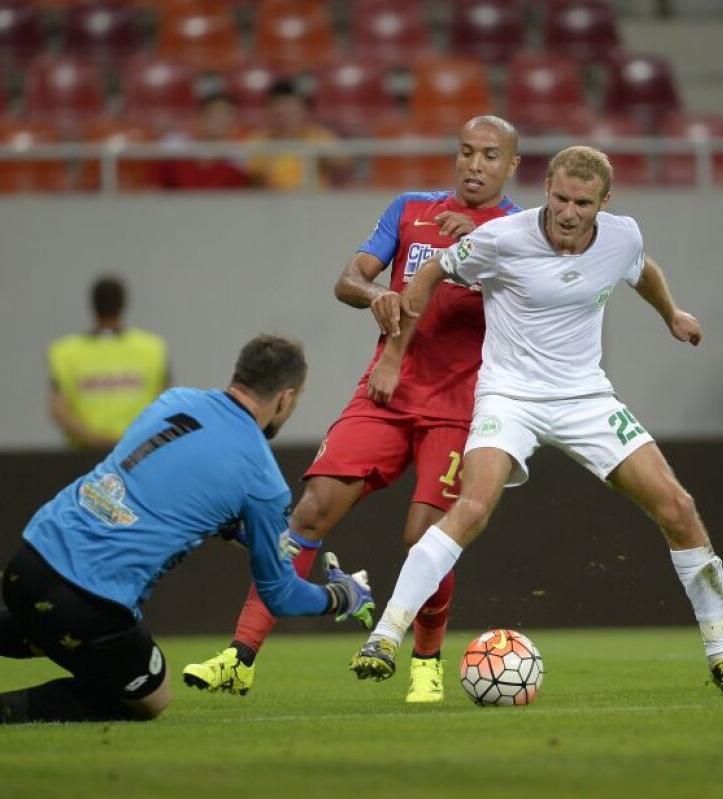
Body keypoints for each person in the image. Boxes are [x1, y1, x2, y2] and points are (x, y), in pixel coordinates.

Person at [349, 146, 723, 697]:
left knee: (678, 508)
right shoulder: (502, 238)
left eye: (582, 203)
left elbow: (641, 270)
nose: (568, 212)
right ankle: (385, 635)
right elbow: (430, 273)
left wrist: (672, 314)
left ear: (604, 203)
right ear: (547, 189)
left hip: (585, 398)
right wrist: (396, 355)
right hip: (509, 396)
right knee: (472, 509)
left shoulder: (622, 236)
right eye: (561, 198)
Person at [0, 334, 375, 727]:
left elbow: (162, 485)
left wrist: (228, 526)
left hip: (30, 561)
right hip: (95, 601)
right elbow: (279, 593)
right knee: (150, 698)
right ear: (286, 399)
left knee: (46, 627)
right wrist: (339, 596)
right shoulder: (262, 479)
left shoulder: (174, 402)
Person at [184, 116, 522, 704]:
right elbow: (348, 279)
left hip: (460, 404)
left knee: (426, 535)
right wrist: (378, 294)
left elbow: (529, 302)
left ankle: (426, 661)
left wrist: (479, 245)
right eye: (466, 151)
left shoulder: (521, 230)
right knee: (310, 510)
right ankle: (240, 658)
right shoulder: (410, 209)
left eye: (490, 156)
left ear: (512, 165)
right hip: (386, 390)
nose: (475, 165)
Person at [48, 275, 169, 450]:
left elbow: (58, 409)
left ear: (93, 305)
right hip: (136, 454)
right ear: (123, 304)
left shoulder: (65, 351)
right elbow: (165, 403)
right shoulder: (152, 348)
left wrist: (93, 439)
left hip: (84, 459)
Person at [245, 78, 348, 190]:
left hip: (313, 203)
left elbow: (344, 163)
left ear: (305, 110)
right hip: (270, 204)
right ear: (270, 110)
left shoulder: (318, 136)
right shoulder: (258, 141)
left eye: (291, 106)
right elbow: (252, 175)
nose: (284, 112)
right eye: (279, 105)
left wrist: (321, 155)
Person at [157, 92, 250, 190]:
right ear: (200, 117)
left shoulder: (235, 164)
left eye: (230, 115)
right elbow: (153, 191)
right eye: (219, 114)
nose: (224, 120)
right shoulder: (174, 152)